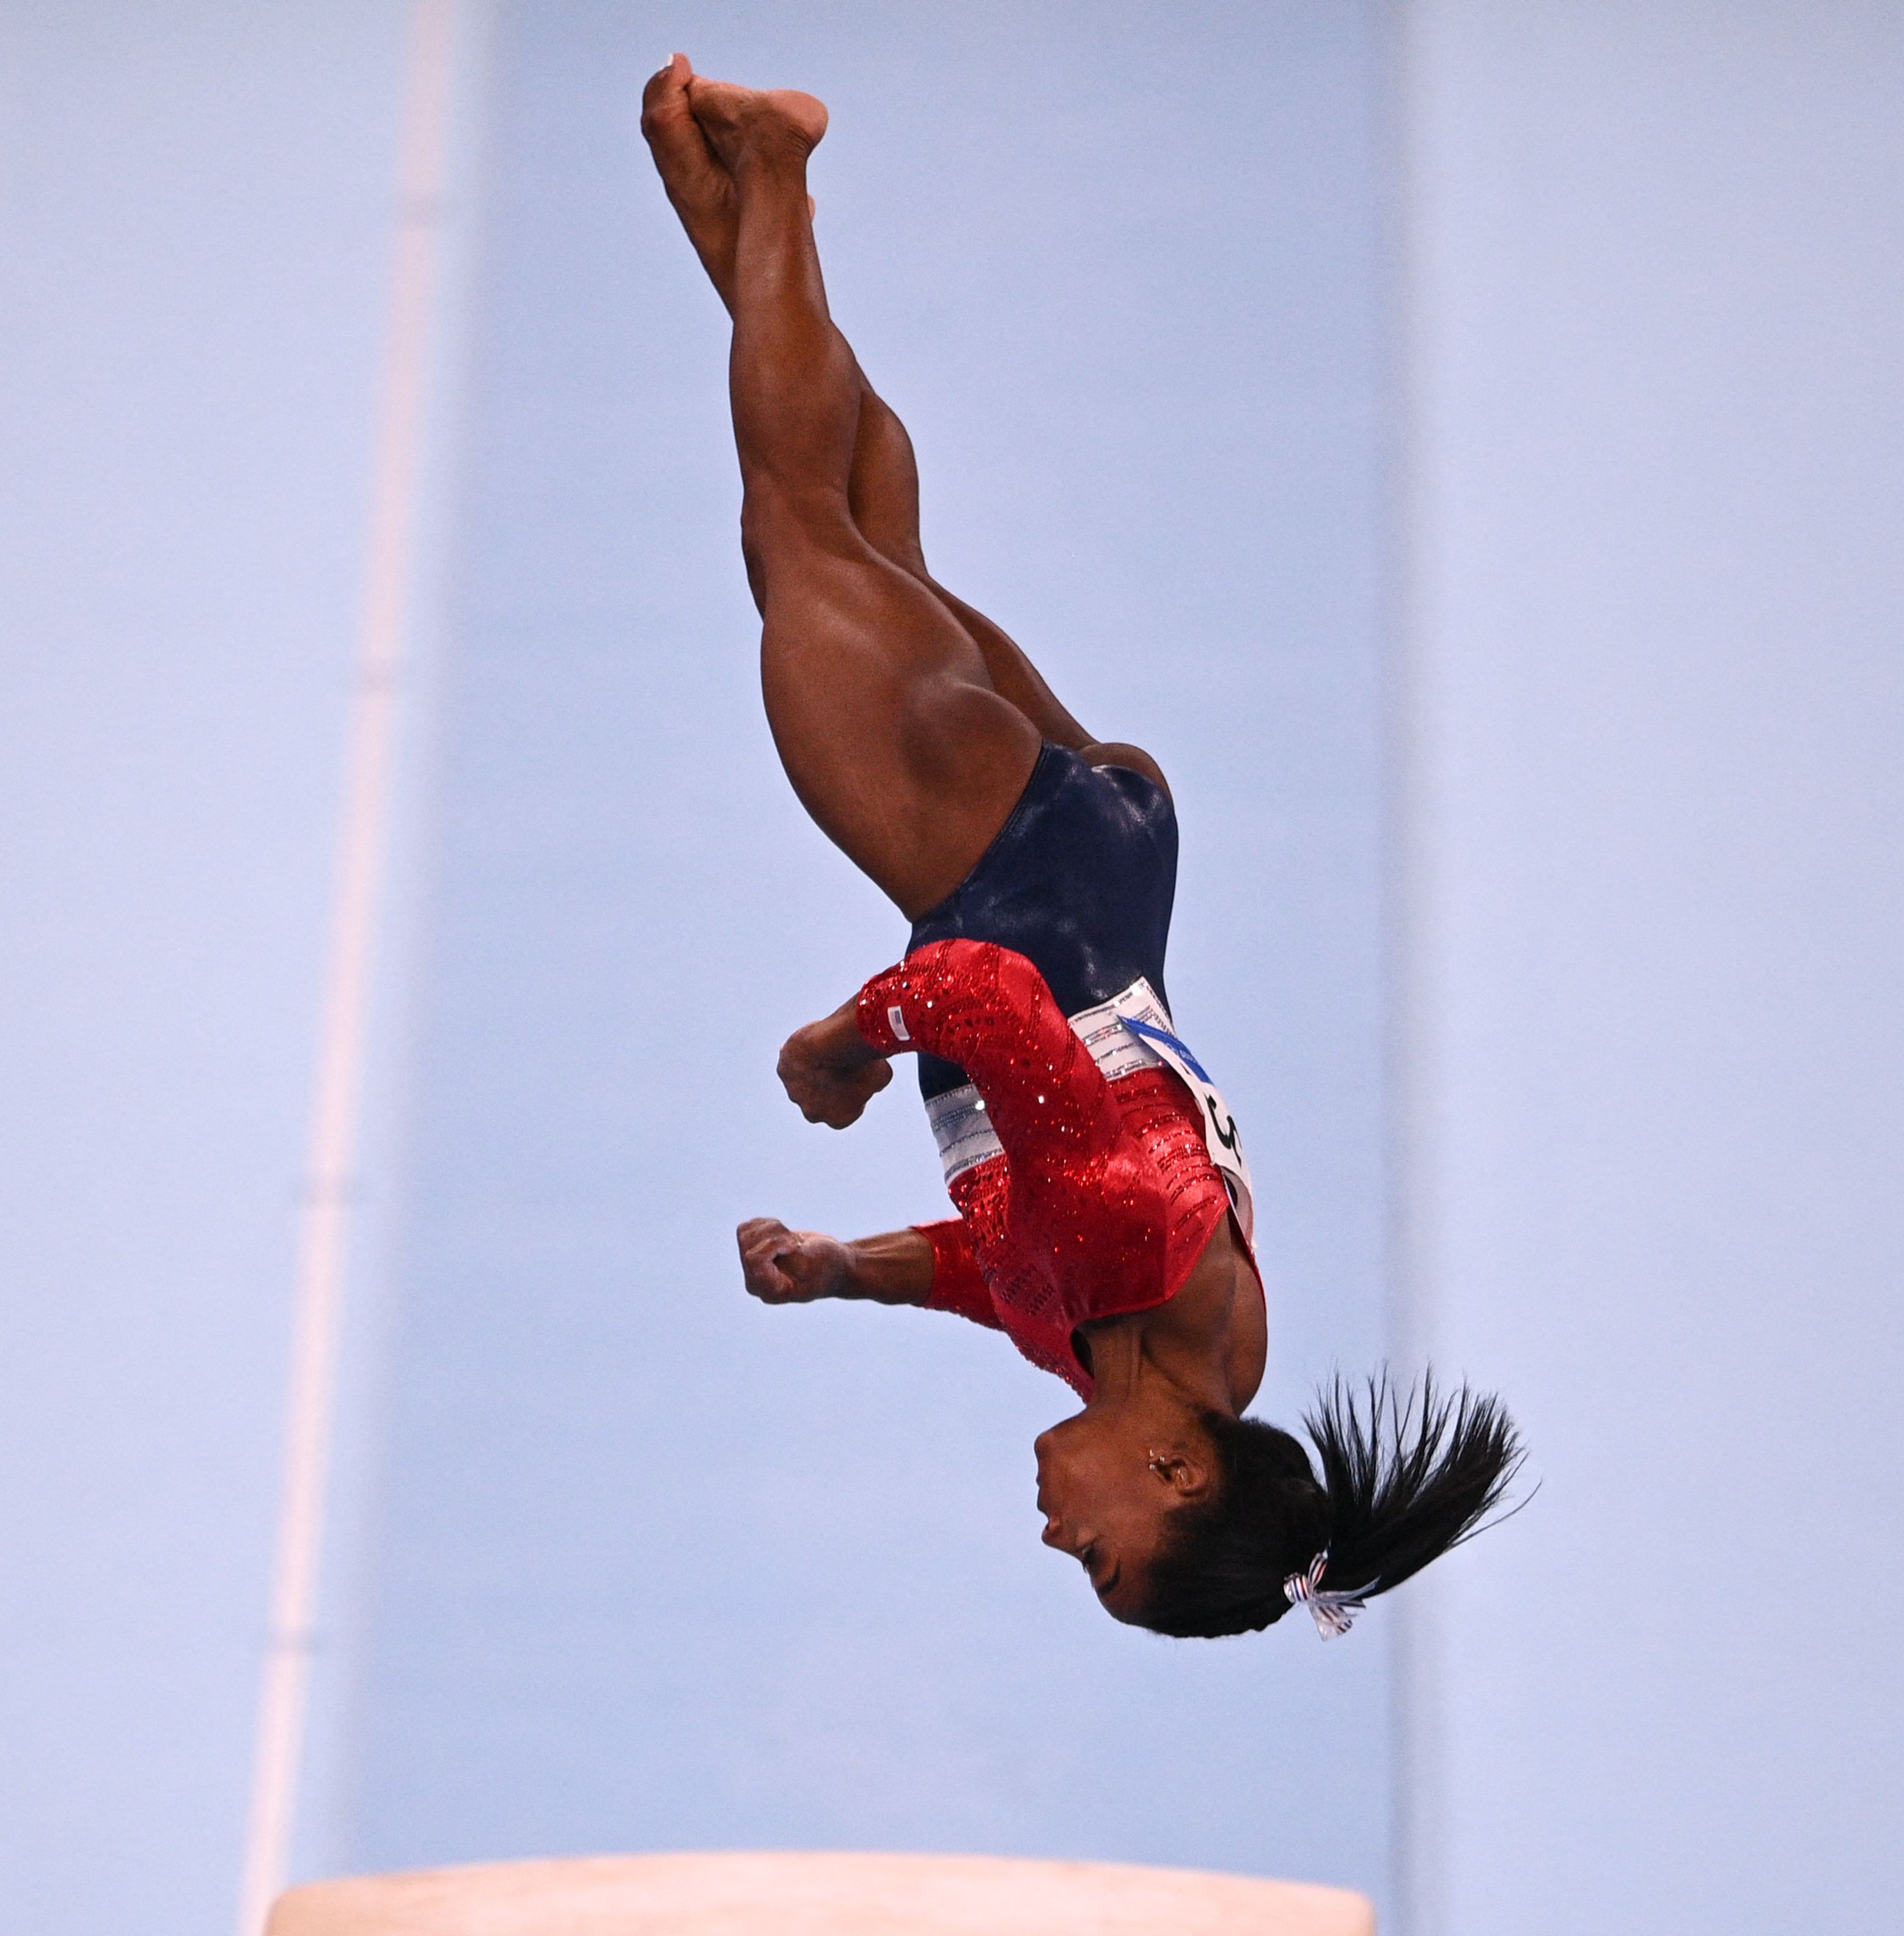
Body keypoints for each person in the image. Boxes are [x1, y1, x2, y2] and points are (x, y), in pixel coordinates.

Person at [645, 56, 1518, 1637]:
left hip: (1102, 850)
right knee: (796, 529)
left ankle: (753, 228)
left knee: (863, 543)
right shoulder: (1147, 1250)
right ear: (1179, 1482)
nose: (1065, 1545)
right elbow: (980, 1000)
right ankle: (770, 175)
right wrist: (844, 1044)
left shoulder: (1161, 1355)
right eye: (1106, 1560)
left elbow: (1011, 1271)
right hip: (1003, 881)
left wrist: (848, 1270)